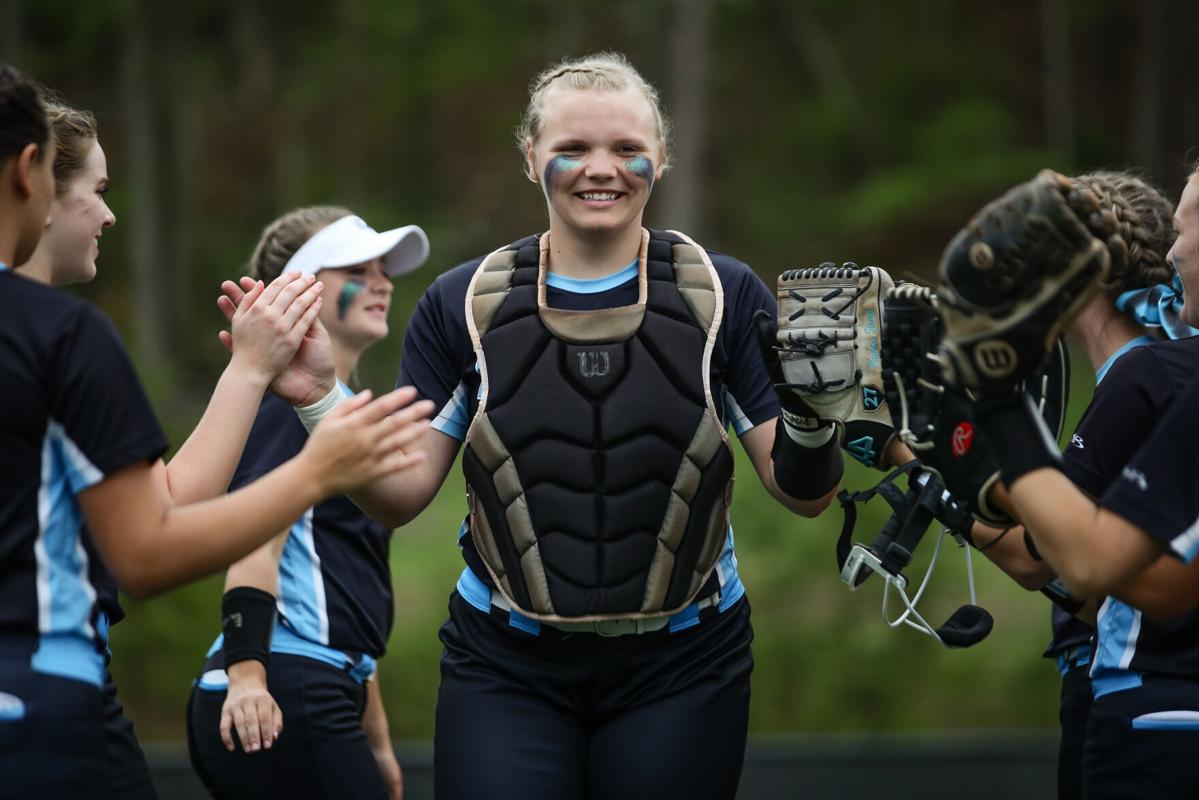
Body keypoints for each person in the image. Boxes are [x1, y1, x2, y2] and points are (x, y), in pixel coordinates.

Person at [259, 52, 844, 799]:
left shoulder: (720, 293)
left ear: (660, 158)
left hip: (685, 660)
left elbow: (803, 492)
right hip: (507, 662)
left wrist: (816, 415)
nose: (602, 168)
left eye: (627, 148)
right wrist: (316, 394)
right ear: (531, 157)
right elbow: (400, 494)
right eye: (573, 148)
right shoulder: (462, 303)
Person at [0, 65, 432, 797]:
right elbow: (153, 544)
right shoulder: (63, 337)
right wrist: (317, 471)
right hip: (44, 695)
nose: (110, 215)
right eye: (100, 192)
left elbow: (165, 498)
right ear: (30, 169)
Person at [961, 163, 1199, 799]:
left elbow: (1059, 561)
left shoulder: (1142, 376)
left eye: (1188, 227)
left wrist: (945, 452)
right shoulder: (1174, 372)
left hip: (1149, 704)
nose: (1176, 251)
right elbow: (1164, 583)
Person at [187, 206, 429, 800]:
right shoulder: (284, 402)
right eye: (358, 269)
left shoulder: (337, 410)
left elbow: (347, 586)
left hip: (320, 683)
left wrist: (375, 741)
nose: (383, 282)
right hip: (276, 685)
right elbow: (253, 543)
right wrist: (247, 677)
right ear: (300, 290)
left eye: (383, 270)